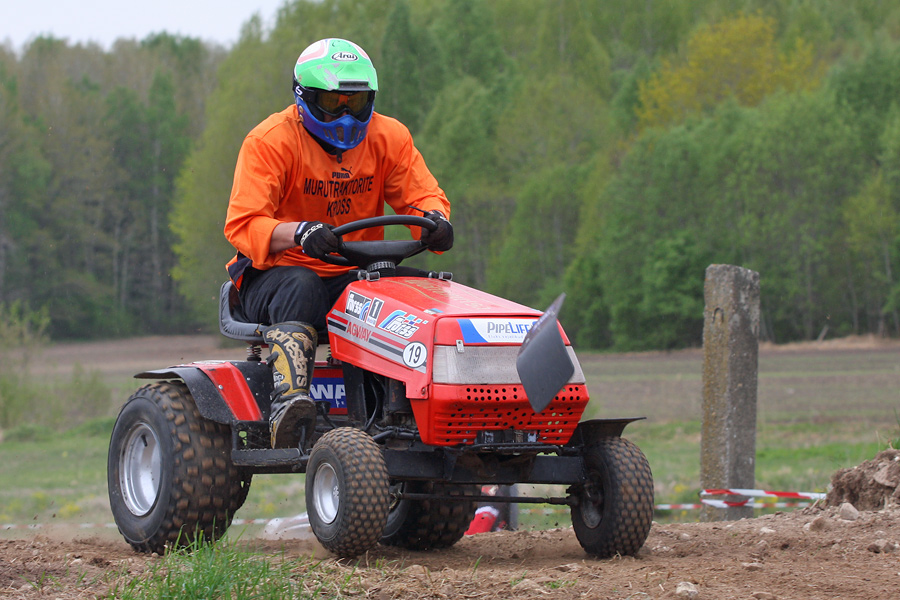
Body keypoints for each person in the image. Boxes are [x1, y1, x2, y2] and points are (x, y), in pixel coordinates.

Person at [223, 38, 452, 449]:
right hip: (274, 276)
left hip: (354, 275)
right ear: (304, 98)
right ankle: (289, 403)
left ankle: (419, 409)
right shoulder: (270, 141)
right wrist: (299, 232)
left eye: (356, 102)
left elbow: (423, 196)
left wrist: (436, 220)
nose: (345, 114)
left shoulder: (390, 136)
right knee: (303, 285)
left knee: (421, 293)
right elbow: (243, 224)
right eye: (333, 102)